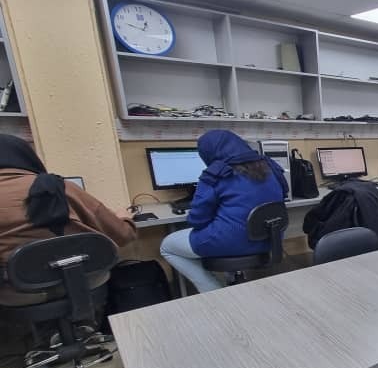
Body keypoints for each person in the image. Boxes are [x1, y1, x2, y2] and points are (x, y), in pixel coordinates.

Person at [0, 134, 137, 307]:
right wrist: (124, 218)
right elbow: (123, 235)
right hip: (83, 283)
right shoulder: (59, 187)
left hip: (16, 294)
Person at [159, 130, 288, 293]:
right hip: (269, 239)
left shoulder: (215, 175)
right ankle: (230, 284)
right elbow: (283, 195)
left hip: (232, 241)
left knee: (167, 246)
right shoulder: (271, 167)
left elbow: (197, 221)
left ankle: (213, 290)